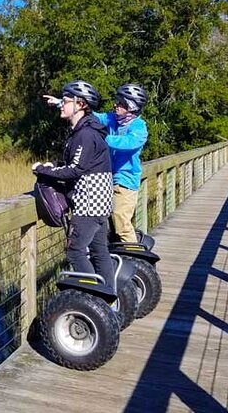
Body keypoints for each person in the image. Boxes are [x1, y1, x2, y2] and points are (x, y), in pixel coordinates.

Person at [35, 80, 115, 289]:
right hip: (100, 204)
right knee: (100, 253)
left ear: (80, 104)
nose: (62, 104)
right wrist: (54, 166)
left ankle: (93, 300)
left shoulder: (85, 134)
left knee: (75, 252)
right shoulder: (89, 130)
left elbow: (75, 170)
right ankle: (109, 300)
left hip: (88, 205)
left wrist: (43, 170)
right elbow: (77, 165)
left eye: (66, 100)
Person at [94, 83, 148, 243]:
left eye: (121, 102)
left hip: (126, 182)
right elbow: (90, 116)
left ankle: (136, 260)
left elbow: (129, 143)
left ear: (131, 106)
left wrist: (104, 138)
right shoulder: (112, 119)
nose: (116, 104)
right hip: (108, 179)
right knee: (108, 223)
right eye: (117, 100)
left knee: (121, 222)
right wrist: (62, 103)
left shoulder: (139, 127)